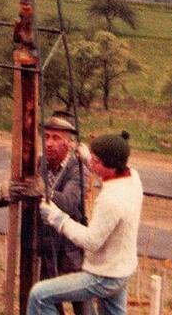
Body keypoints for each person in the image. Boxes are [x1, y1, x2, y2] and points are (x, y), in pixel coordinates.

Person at [28, 131, 142, 315]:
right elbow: (105, 169)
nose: (92, 165)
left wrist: (57, 217)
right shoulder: (132, 177)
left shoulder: (112, 199)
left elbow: (91, 241)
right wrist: (87, 157)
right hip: (122, 268)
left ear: (111, 165)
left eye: (96, 162)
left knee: (39, 295)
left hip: (104, 276)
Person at [0, 112, 90, 315]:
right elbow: (8, 195)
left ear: (70, 144)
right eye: (46, 137)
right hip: (40, 249)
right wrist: (5, 192)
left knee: (83, 306)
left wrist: (42, 191)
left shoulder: (77, 169)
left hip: (68, 252)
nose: (49, 143)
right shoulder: (34, 165)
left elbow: (70, 203)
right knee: (49, 304)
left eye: (57, 138)